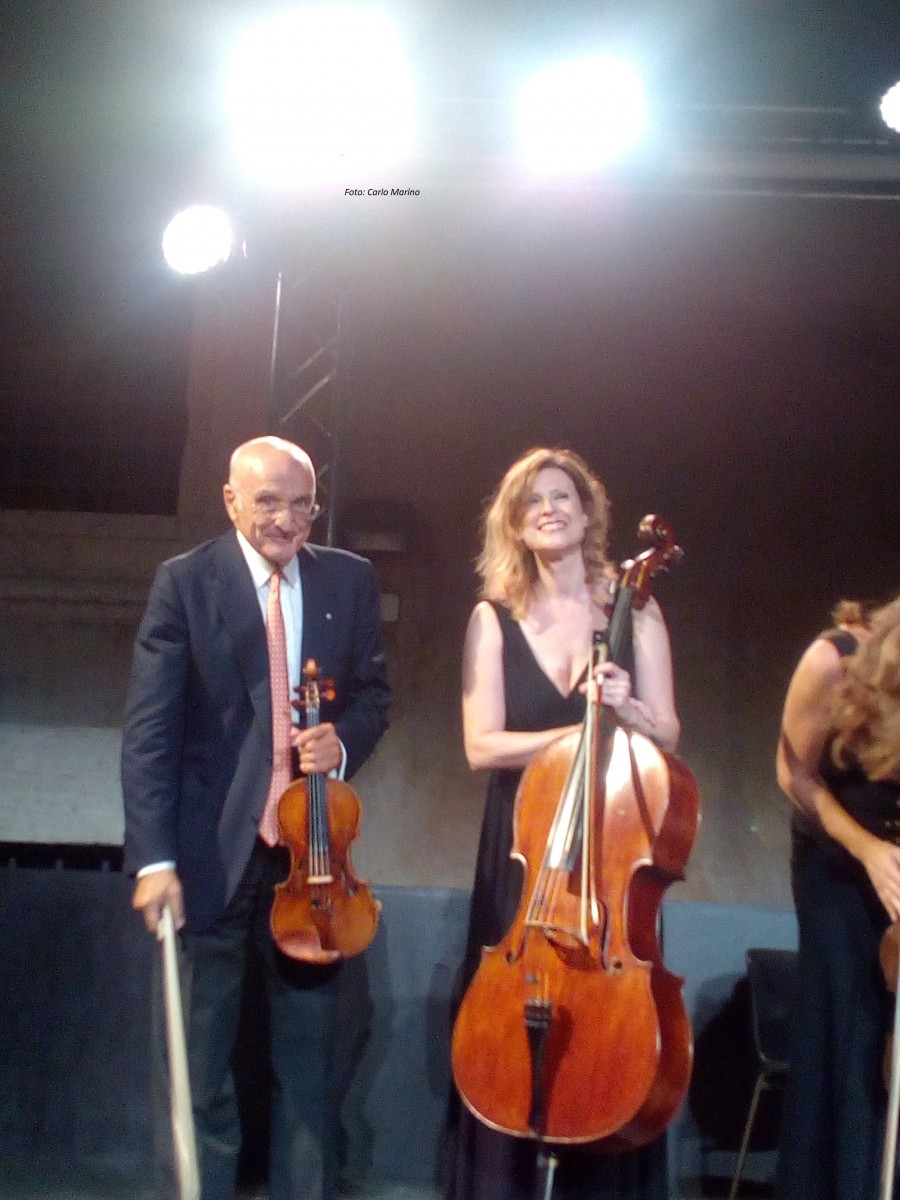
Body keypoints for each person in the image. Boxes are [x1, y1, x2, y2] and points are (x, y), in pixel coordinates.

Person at [121, 435, 391, 1200]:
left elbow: (373, 698)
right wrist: (154, 860)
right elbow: (149, 734)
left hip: (313, 865)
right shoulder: (185, 583)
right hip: (209, 860)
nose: (286, 519)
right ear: (231, 499)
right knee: (200, 1070)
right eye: (268, 501)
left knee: (308, 1075)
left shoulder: (349, 580)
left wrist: (342, 743)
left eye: (302, 504)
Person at [449, 447, 681, 1200]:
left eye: (561, 497)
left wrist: (625, 709)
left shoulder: (635, 609)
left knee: (611, 1019)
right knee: (508, 1011)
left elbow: (668, 732)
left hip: (611, 848)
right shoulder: (492, 618)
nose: (547, 509)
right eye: (531, 501)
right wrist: (576, 734)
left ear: (587, 513)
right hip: (524, 847)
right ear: (514, 524)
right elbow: (482, 747)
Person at [775, 596, 900, 1200]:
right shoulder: (834, 659)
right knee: (851, 1032)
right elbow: (793, 774)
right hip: (837, 863)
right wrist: (869, 852)